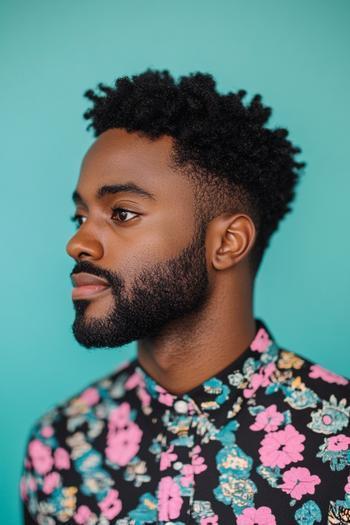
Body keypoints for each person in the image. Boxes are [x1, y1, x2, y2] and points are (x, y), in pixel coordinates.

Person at [20, 69, 349, 525]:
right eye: (80, 216)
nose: (78, 244)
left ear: (228, 243)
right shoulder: (58, 445)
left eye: (122, 213)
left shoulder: (340, 447)